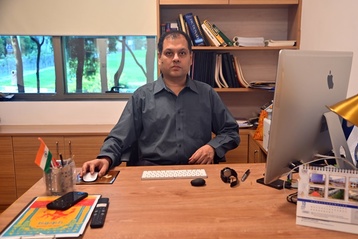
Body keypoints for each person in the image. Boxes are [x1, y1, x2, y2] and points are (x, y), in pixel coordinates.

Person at [81, 30, 240, 177]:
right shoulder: (142, 97)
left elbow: (230, 131)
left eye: (182, 53)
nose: (176, 58)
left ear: (190, 58)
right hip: (151, 172)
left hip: (197, 171)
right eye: (169, 53)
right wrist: (105, 158)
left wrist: (212, 147)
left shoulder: (207, 94)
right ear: (160, 58)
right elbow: (119, 137)